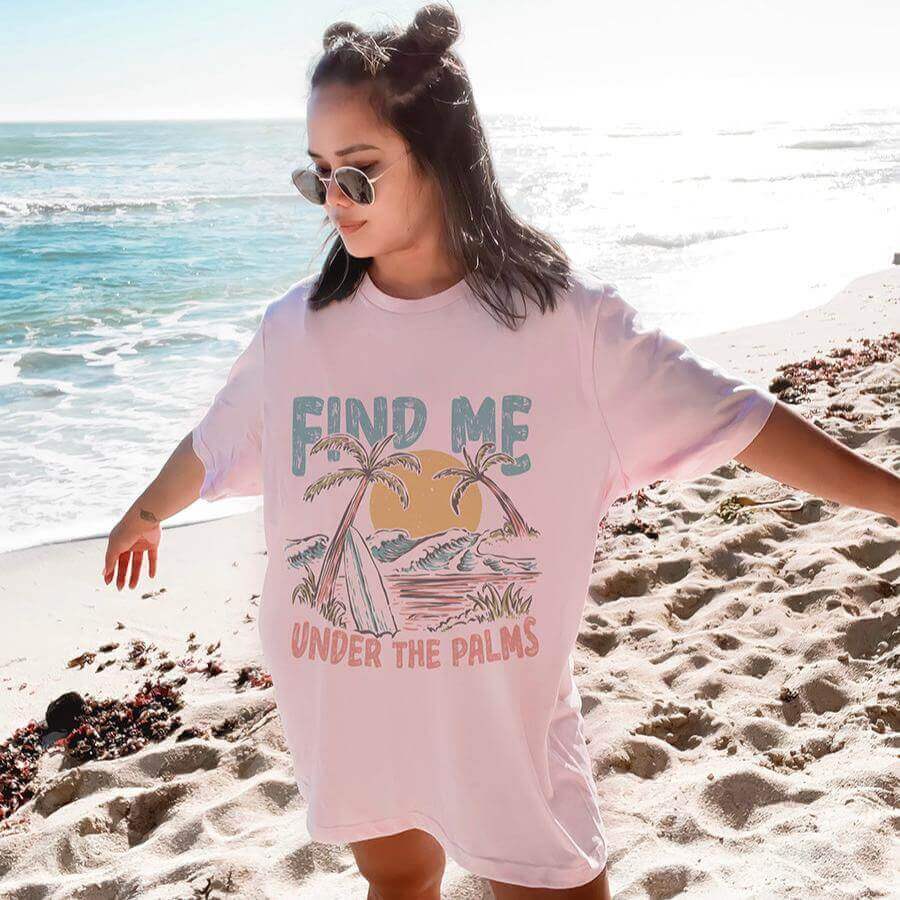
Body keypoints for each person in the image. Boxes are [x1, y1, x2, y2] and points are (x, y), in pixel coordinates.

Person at [102, 4, 900, 897]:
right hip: (345, 691)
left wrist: (895, 497)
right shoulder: (298, 328)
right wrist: (146, 511)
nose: (333, 203)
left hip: (502, 719)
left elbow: (742, 421)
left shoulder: (567, 326)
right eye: (316, 176)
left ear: (441, 157)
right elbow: (223, 435)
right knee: (398, 877)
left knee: (552, 882)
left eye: (358, 177)